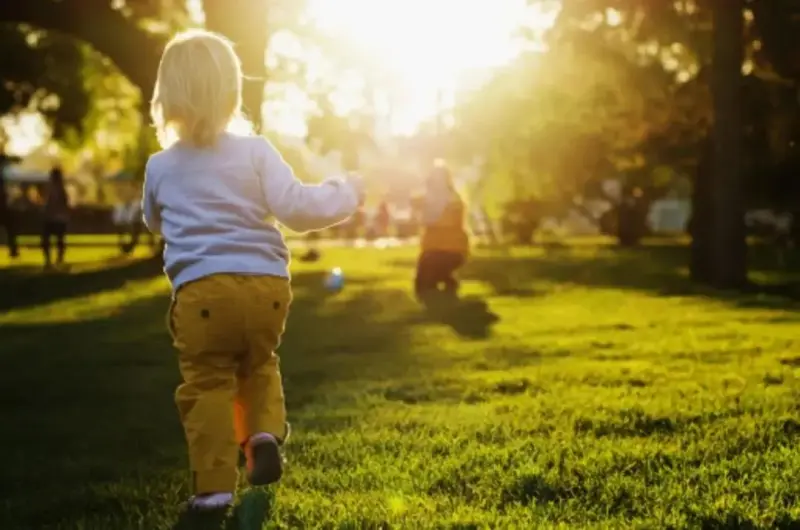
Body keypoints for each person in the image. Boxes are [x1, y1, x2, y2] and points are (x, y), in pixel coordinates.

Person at [141, 29, 362, 512]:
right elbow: (298, 208)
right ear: (232, 91)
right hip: (268, 290)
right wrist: (348, 192)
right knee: (259, 365)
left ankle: (216, 487)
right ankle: (262, 435)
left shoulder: (160, 166)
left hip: (203, 295)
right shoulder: (257, 152)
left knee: (209, 382)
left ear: (167, 96)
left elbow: (153, 220)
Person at [414, 162, 470, 300]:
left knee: (428, 279)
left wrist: (431, 221)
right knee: (423, 286)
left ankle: (448, 281)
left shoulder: (453, 199)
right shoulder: (429, 198)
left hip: (451, 249)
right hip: (433, 249)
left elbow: (451, 222)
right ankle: (447, 281)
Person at [41, 166, 70, 269]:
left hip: (55, 217)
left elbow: (59, 203)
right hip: (56, 217)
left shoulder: (56, 189)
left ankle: (54, 259)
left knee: (53, 239)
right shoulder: (57, 189)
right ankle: (55, 259)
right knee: (56, 239)